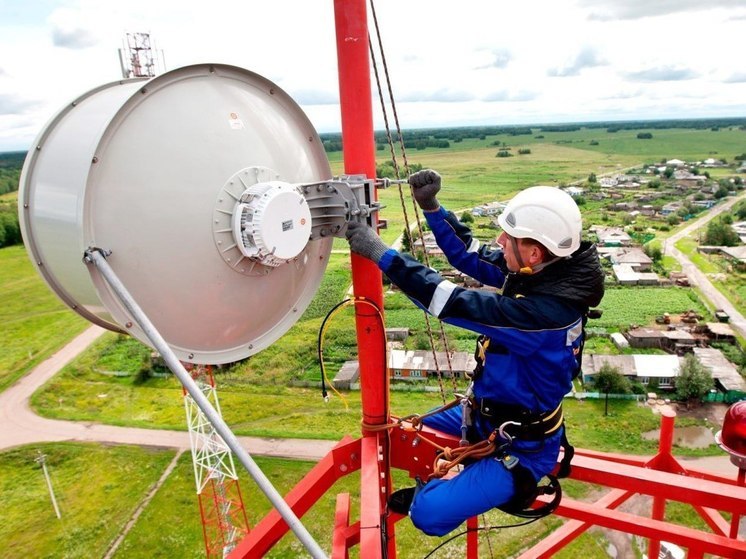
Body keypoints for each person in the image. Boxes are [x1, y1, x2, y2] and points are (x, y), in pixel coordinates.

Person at [345, 169, 605, 536]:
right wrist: (433, 208)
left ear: (533, 251)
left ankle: (437, 492)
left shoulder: (544, 317)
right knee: (400, 434)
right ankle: (451, 483)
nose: (499, 241)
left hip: (522, 446)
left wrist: (381, 255)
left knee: (429, 515)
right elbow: (470, 256)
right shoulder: (545, 274)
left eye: (508, 238)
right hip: (486, 415)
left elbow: (450, 301)